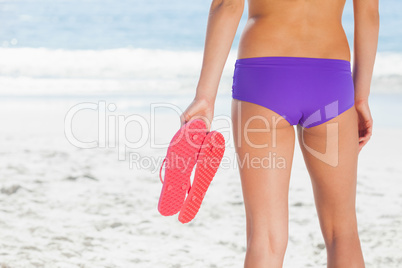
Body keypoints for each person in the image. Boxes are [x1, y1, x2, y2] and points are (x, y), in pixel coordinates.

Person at [180, 0, 379, 267]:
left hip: (263, 78)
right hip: (330, 79)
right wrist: (360, 96)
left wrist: (205, 97)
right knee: (342, 233)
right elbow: (368, 11)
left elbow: (227, 5)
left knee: (266, 239)